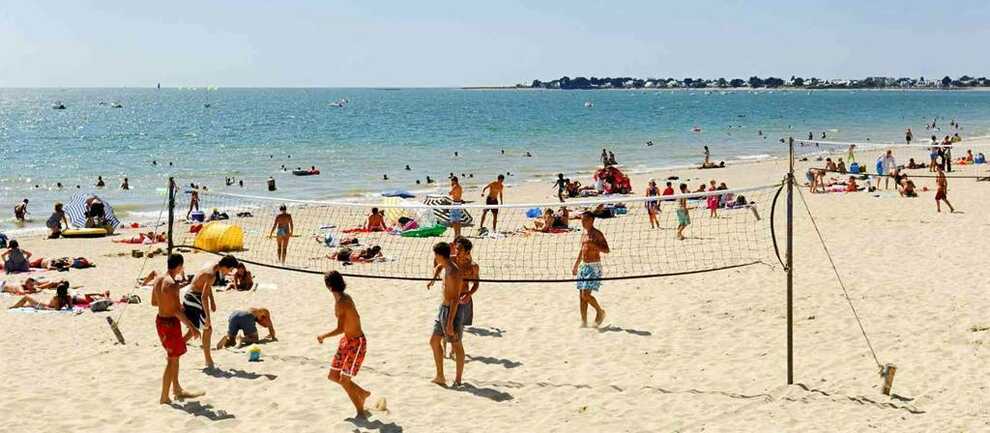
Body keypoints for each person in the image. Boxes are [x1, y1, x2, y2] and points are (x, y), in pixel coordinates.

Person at [151, 254, 203, 404]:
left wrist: (168, 303)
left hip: (160, 321)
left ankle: (177, 389)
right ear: (179, 266)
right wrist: (192, 327)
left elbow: (154, 302)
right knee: (171, 360)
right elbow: (176, 312)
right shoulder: (173, 284)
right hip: (170, 324)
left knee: (174, 358)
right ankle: (164, 397)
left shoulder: (158, 279)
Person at [317, 271, 371, 418]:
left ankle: (361, 412)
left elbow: (340, 328)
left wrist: (323, 336)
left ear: (328, 286)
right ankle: (362, 393)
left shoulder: (343, 302)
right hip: (347, 341)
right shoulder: (342, 298)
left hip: (357, 343)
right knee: (333, 376)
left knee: (344, 380)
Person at [183, 255, 238, 369]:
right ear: (225, 267)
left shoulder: (213, 266)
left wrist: (212, 301)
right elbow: (203, 297)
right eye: (231, 269)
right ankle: (208, 361)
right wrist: (208, 317)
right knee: (208, 329)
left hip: (190, 295)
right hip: (194, 298)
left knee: (193, 329)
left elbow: (206, 287)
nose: (230, 272)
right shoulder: (212, 275)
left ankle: (176, 347)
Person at [426, 241, 464, 386]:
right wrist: (433, 279)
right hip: (443, 308)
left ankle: (458, 380)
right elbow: (439, 266)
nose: (434, 257)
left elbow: (455, 299)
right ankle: (440, 376)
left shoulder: (453, 272)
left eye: (435, 255)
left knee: (456, 345)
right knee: (434, 341)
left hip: (451, 311)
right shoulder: (447, 263)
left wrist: (449, 323)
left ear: (439, 255)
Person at [572, 212, 608, 328]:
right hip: (584, 266)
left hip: (594, 266)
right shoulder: (584, 234)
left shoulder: (597, 234)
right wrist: (576, 264)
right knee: (581, 296)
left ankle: (600, 311)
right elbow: (582, 250)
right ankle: (584, 322)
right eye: (582, 220)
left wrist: (595, 245)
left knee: (586, 295)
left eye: (585, 220)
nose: (582, 222)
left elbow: (607, 250)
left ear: (591, 220)